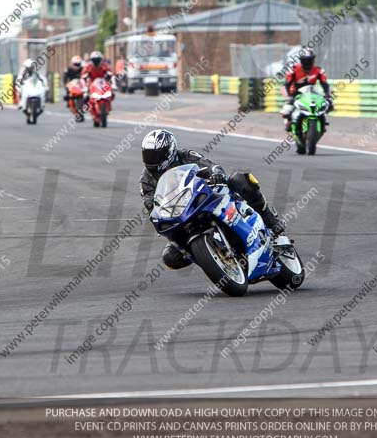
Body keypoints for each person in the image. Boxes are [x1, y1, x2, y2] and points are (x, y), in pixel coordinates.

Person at [139, 129, 285, 270]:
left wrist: (216, 173)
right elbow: (152, 205)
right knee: (170, 258)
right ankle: (217, 260)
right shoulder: (146, 179)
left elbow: (210, 166)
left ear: (169, 151)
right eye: (147, 155)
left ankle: (271, 223)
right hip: (180, 214)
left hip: (201, 196)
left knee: (241, 179)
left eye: (155, 156)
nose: (151, 161)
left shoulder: (185, 155)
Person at [281, 47, 333, 131]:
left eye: (310, 60)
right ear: (301, 60)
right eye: (305, 60)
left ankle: (322, 121)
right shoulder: (293, 70)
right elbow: (287, 84)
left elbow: (325, 84)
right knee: (287, 110)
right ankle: (289, 122)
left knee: (329, 104)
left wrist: (327, 95)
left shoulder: (319, 70)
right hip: (296, 93)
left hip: (312, 93)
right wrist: (289, 97)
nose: (307, 62)